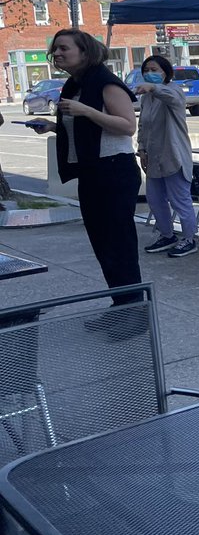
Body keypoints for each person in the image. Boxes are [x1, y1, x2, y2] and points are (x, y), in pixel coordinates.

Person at [28, 29, 142, 318]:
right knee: (103, 245)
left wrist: (86, 111)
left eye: (64, 48)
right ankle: (120, 306)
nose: (57, 54)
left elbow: (128, 126)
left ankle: (134, 312)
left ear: (85, 51)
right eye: (55, 50)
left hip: (114, 172)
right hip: (91, 173)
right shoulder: (74, 85)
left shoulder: (105, 83)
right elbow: (84, 128)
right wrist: (53, 126)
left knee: (119, 246)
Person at [135, 55, 197, 258]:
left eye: (154, 70)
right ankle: (167, 235)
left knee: (180, 200)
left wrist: (154, 88)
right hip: (154, 157)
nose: (149, 74)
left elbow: (173, 99)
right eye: (146, 70)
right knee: (155, 199)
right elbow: (143, 126)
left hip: (173, 155)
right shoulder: (146, 98)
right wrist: (142, 149)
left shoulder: (174, 91)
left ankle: (189, 238)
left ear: (165, 72)